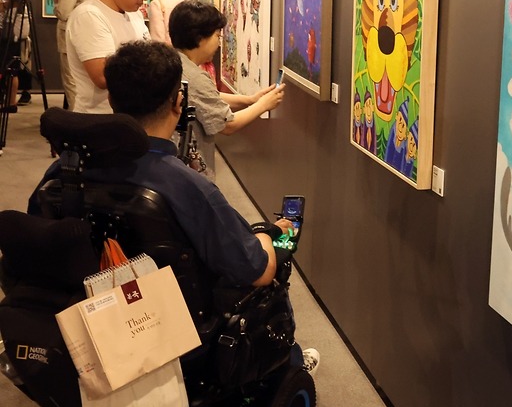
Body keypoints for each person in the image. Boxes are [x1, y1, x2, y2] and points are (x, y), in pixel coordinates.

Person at [26, 40, 318, 371]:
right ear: (179, 102)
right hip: (180, 331)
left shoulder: (63, 173)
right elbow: (257, 271)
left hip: (88, 317)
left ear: (111, 99)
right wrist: (266, 233)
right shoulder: (187, 187)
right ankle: (291, 361)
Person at [168, 1, 284, 182]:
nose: (219, 42)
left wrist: (249, 100)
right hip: (191, 174)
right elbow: (228, 125)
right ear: (200, 38)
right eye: (217, 36)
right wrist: (263, 105)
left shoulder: (174, 61)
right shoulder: (195, 77)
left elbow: (204, 98)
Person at [65, 0, 164, 114]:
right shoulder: (89, 15)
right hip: (101, 119)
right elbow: (104, 77)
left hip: (134, 117)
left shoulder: (135, 14)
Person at [54, 0, 101, 110]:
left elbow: (63, 13)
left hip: (70, 38)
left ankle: (75, 118)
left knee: (71, 82)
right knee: (85, 82)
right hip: (90, 35)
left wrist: (57, 4)